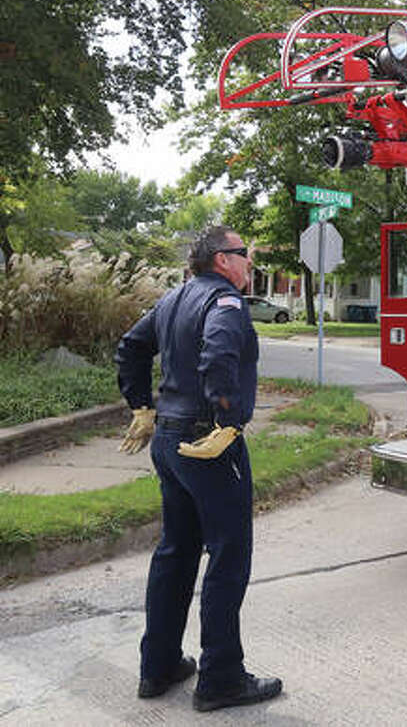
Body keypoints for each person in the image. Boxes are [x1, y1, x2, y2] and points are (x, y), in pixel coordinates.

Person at [115, 225, 283, 712]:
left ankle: (160, 665)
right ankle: (222, 678)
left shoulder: (173, 299)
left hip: (168, 439)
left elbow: (130, 347)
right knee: (229, 556)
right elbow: (218, 355)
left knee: (176, 551)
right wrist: (227, 418)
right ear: (221, 261)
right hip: (209, 442)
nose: (249, 263)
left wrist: (142, 407)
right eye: (243, 254)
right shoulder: (225, 303)